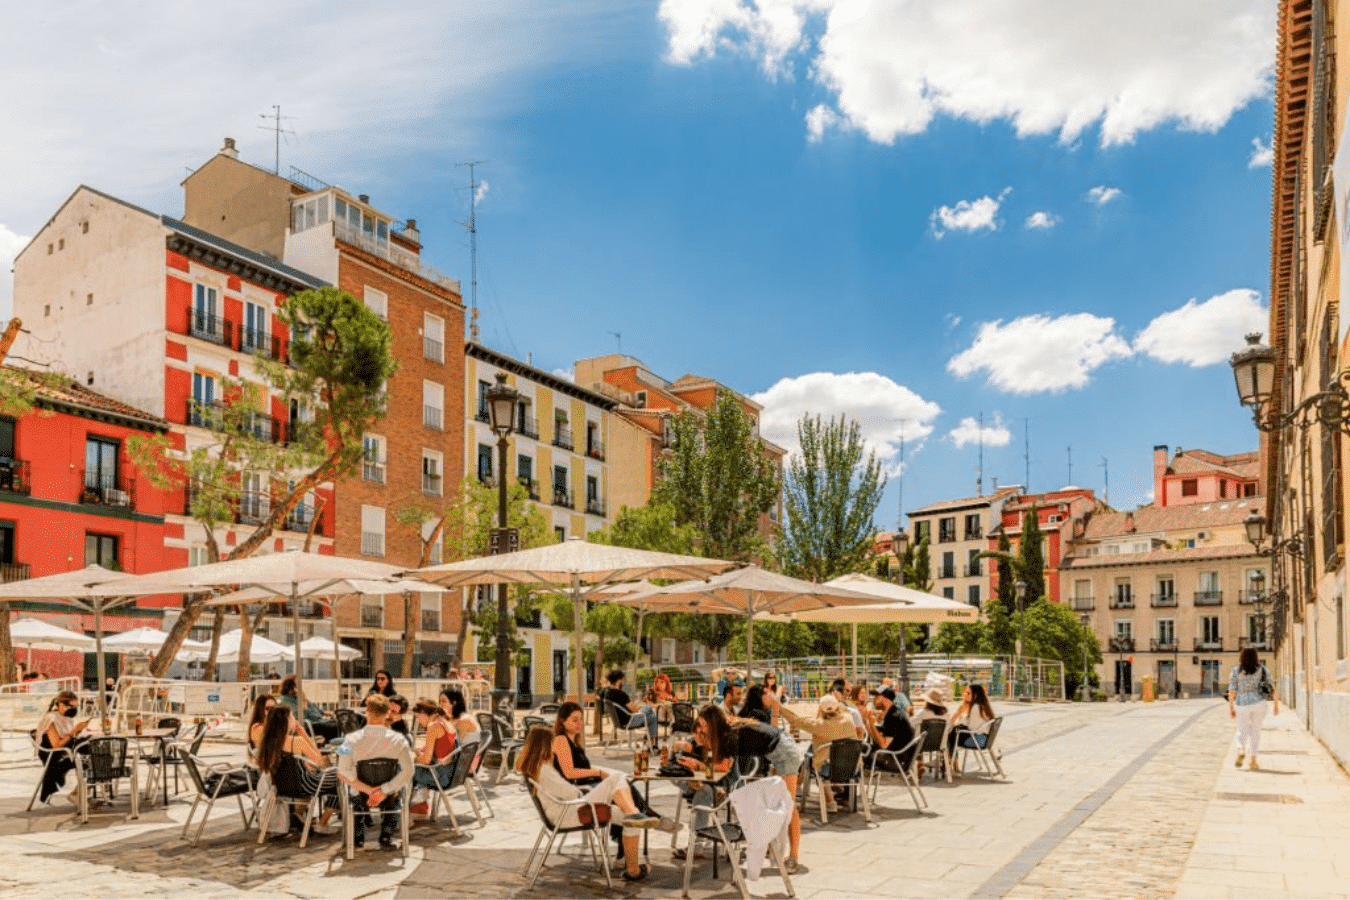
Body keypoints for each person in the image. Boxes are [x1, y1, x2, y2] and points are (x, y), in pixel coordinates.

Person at [517, 725, 657, 882]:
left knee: (624, 815)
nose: (554, 747)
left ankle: (633, 869)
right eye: (551, 743)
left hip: (566, 810)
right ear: (544, 745)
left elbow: (565, 792)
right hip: (570, 813)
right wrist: (582, 791)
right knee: (616, 778)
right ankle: (633, 814)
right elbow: (570, 793)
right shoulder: (544, 770)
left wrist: (581, 790)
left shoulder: (536, 767)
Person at [738, 688, 805, 873]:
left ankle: (793, 856)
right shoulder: (757, 714)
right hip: (776, 755)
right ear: (760, 697)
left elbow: (771, 734)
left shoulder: (753, 713)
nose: (771, 697)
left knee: (790, 806)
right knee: (776, 803)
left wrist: (775, 711)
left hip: (785, 756)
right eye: (768, 694)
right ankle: (771, 847)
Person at [337, 694, 414, 850]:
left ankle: (357, 837)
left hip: (360, 794)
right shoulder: (400, 740)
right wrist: (384, 790)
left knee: (351, 791)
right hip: (388, 796)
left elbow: (342, 770)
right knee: (396, 793)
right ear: (387, 713)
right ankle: (386, 836)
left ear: (366, 712)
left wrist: (368, 790)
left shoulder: (349, 739)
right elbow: (409, 771)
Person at [256, 705, 340, 834]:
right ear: (286, 720)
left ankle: (299, 814)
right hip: (304, 786)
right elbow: (320, 761)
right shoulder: (296, 741)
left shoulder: (267, 742)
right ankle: (322, 823)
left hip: (281, 788)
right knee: (340, 776)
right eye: (292, 716)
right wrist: (304, 733)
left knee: (320, 775)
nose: (295, 719)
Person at [671, 705, 737, 861]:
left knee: (704, 792)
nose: (701, 728)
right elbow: (683, 751)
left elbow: (724, 767)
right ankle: (695, 785)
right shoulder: (700, 737)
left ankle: (696, 846)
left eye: (704, 725)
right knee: (675, 774)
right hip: (703, 780)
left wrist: (699, 765)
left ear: (713, 724)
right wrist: (682, 749)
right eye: (699, 724)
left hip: (724, 784)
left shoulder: (728, 737)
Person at [778, 693, 857, 811]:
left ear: (821, 708)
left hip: (828, 769)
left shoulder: (819, 724)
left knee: (811, 756)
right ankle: (803, 787)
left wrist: (778, 707)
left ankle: (830, 800)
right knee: (815, 751)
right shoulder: (848, 719)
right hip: (852, 766)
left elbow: (795, 720)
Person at [1229, 647, 1279, 770]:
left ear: (1242, 657)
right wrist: (1276, 704)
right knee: (1255, 731)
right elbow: (1272, 687)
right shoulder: (1263, 669)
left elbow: (1231, 691)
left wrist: (1231, 707)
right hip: (1259, 703)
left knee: (1241, 729)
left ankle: (1241, 749)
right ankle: (1253, 760)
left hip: (1242, 703)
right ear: (1256, 657)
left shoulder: (1236, 671)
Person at [35, 691, 89, 805]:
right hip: (53, 756)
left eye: (76, 707)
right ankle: (77, 794)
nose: (74, 709)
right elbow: (56, 745)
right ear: (61, 705)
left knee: (93, 751)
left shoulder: (66, 717)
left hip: (66, 750)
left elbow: (68, 738)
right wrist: (74, 731)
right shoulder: (52, 719)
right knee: (88, 757)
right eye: (72, 706)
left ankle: (80, 792)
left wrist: (79, 730)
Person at [409, 699, 456, 814]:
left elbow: (426, 760)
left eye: (418, 717)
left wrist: (413, 758)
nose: (418, 721)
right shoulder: (446, 722)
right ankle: (418, 810)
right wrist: (419, 752)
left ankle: (410, 814)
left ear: (424, 714)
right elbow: (441, 747)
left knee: (405, 770)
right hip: (452, 772)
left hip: (441, 776)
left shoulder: (433, 726)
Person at [552, 701, 607, 786]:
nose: (579, 723)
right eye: (575, 720)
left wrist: (600, 773)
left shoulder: (575, 742)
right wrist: (598, 773)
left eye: (581, 719)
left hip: (586, 784)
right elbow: (569, 773)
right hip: (577, 789)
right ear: (563, 721)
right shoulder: (561, 740)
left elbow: (583, 768)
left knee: (622, 782)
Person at [864, 687, 917, 773]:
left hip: (897, 761)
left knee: (858, 754)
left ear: (886, 700)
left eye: (877, 697)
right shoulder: (893, 712)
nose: (874, 700)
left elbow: (883, 745)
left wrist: (872, 725)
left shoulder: (893, 717)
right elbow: (877, 739)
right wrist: (868, 723)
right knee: (864, 749)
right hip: (899, 757)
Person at [276, 674, 342, 743]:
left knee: (340, 723)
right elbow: (299, 716)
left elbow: (313, 706)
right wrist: (304, 705)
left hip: (318, 720)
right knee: (335, 727)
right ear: (291, 686)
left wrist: (324, 712)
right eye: (297, 683)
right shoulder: (287, 700)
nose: (300, 685)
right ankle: (329, 745)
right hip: (310, 723)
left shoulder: (298, 696)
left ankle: (330, 744)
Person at [947, 684, 996, 775]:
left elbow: (971, 728)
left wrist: (959, 724)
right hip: (984, 738)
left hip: (978, 740)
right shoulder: (983, 706)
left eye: (968, 693)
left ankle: (949, 762)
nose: (966, 694)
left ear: (975, 695)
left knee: (951, 736)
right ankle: (951, 763)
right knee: (954, 733)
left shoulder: (975, 708)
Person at [603, 670, 659, 747]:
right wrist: (644, 706)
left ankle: (650, 742)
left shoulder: (607, 693)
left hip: (618, 722)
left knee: (652, 717)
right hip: (629, 721)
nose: (623, 682)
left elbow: (630, 707)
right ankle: (651, 743)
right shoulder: (621, 694)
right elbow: (634, 709)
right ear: (619, 681)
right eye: (622, 680)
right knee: (650, 710)